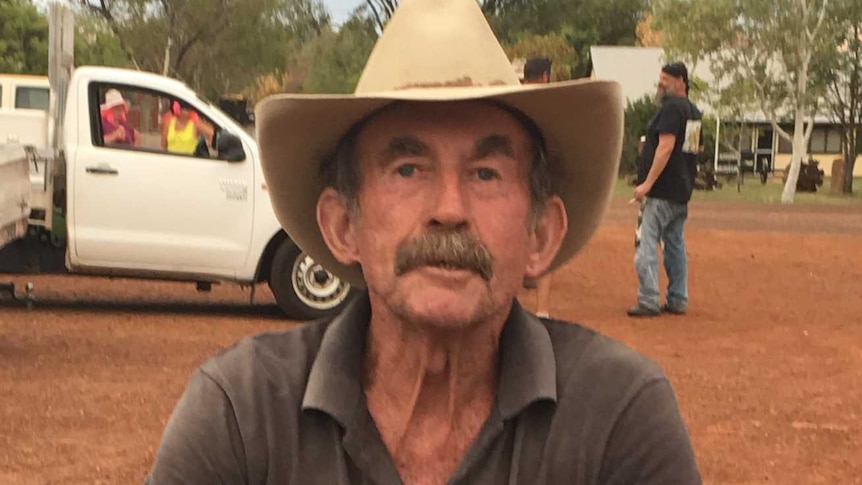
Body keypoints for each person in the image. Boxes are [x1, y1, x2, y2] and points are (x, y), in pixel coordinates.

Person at [145, 0, 702, 483]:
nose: (449, 211)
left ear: (540, 235)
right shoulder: (242, 415)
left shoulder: (617, 417)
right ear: (344, 227)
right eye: (408, 170)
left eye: (486, 173)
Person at [629, 62, 703, 317]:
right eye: (660, 79)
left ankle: (648, 298)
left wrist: (647, 184)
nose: (660, 84)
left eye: (666, 80)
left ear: (681, 81)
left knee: (646, 241)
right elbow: (692, 151)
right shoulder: (693, 112)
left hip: (662, 191)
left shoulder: (672, 109)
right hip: (681, 191)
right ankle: (677, 297)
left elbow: (666, 146)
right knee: (674, 243)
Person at [521, 56, 555, 319]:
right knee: (543, 236)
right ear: (545, 76)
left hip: (513, 179)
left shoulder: (513, 99)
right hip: (541, 174)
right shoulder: (549, 104)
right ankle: (542, 310)